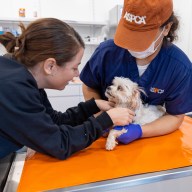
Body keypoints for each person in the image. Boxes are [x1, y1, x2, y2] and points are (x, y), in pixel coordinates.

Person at [0, 18, 135, 160]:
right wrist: (106, 120)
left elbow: (54, 121)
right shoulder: (13, 87)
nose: (78, 74)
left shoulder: (25, 78)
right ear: (50, 66)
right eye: (74, 67)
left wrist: (94, 105)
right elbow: (59, 144)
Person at [80, 0, 192, 144]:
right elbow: (89, 85)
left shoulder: (179, 67)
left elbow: (175, 116)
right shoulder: (107, 52)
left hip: (150, 138)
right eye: (129, 33)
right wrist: (101, 118)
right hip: (103, 137)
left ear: (166, 28)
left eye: (142, 36)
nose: (133, 43)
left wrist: (140, 131)